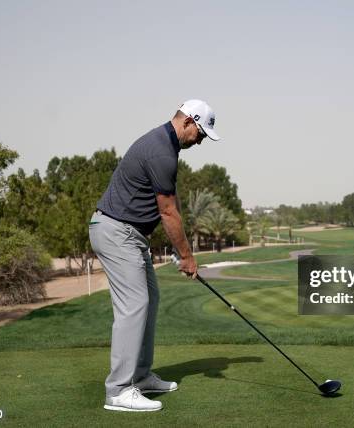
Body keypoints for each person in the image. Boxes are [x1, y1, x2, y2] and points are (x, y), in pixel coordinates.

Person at [89, 99, 220, 412]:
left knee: (150, 298)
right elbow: (168, 211)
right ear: (188, 121)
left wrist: (178, 251)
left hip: (128, 233)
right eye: (201, 134)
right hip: (117, 232)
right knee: (135, 305)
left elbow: (155, 208)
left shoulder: (164, 144)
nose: (201, 141)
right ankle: (119, 390)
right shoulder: (162, 150)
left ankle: (141, 375)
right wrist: (186, 256)